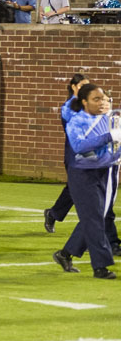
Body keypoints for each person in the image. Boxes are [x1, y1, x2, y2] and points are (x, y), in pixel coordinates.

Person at [52, 83, 121, 278]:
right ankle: (101, 266)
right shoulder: (77, 120)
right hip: (83, 175)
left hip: (105, 172)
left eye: (103, 99)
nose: (101, 103)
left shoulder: (108, 119)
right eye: (96, 99)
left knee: (96, 218)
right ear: (84, 102)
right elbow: (79, 146)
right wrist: (109, 136)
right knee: (94, 220)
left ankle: (65, 254)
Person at [44, 74, 91, 235]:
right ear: (74, 87)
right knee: (77, 186)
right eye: (82, 86)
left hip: (88, 151)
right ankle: (56, 214)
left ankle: (54, 213)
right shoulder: (69, 106)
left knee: (78, 187)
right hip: (74, 151)